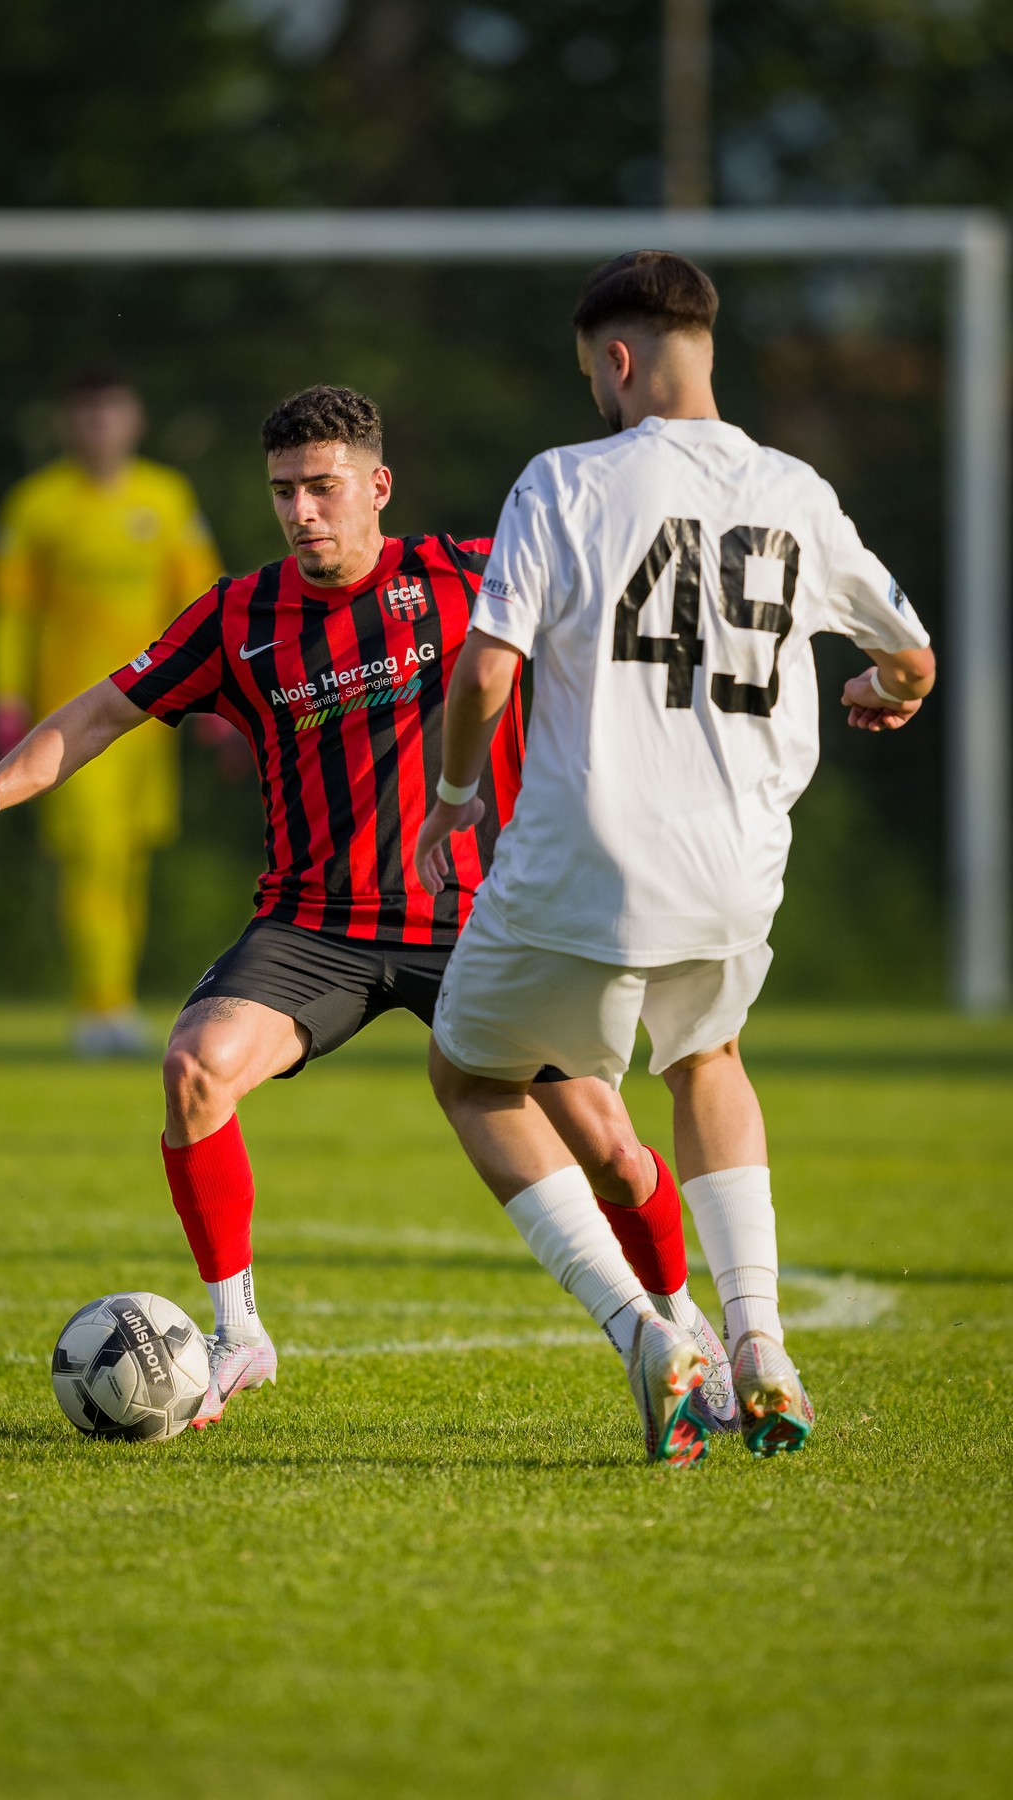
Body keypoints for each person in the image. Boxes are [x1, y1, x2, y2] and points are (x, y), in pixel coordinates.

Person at [0, 384, 731, 1464]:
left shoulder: (472, 576)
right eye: (284, 491)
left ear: (378, 486)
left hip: (480, 920)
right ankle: (239, 1331)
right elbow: (101, 711)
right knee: (194, 1068)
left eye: (323, 487)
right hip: (314, 929)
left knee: (610, 1148)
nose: (302, 511)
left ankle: (685, 1329)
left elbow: (635, 602)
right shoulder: (238, 617)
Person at [415, 252, 935, 1459]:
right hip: (735, 869)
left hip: (580, 864)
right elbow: (912, 657)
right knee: (707, 1059)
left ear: (617, 360)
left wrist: (452, 797)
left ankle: (647, 1330)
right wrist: (885, 692)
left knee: (473, 1077)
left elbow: (485, 673)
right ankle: (762, 1342)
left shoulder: (564, 479)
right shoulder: (796, 489)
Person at [0, 365, 221, 1055]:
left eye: (111, 411)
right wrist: (5, 698)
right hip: (70, 720)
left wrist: (219, 698)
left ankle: (117, 1002)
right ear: (67, 423)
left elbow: (205, 603)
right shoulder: (36, 505)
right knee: (92, 857)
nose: (99, 426)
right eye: (86, 414)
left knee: (131, 860)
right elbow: (9, 613)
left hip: (152, 718)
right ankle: (100, 1007)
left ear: (134, 419)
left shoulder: (167, 497)